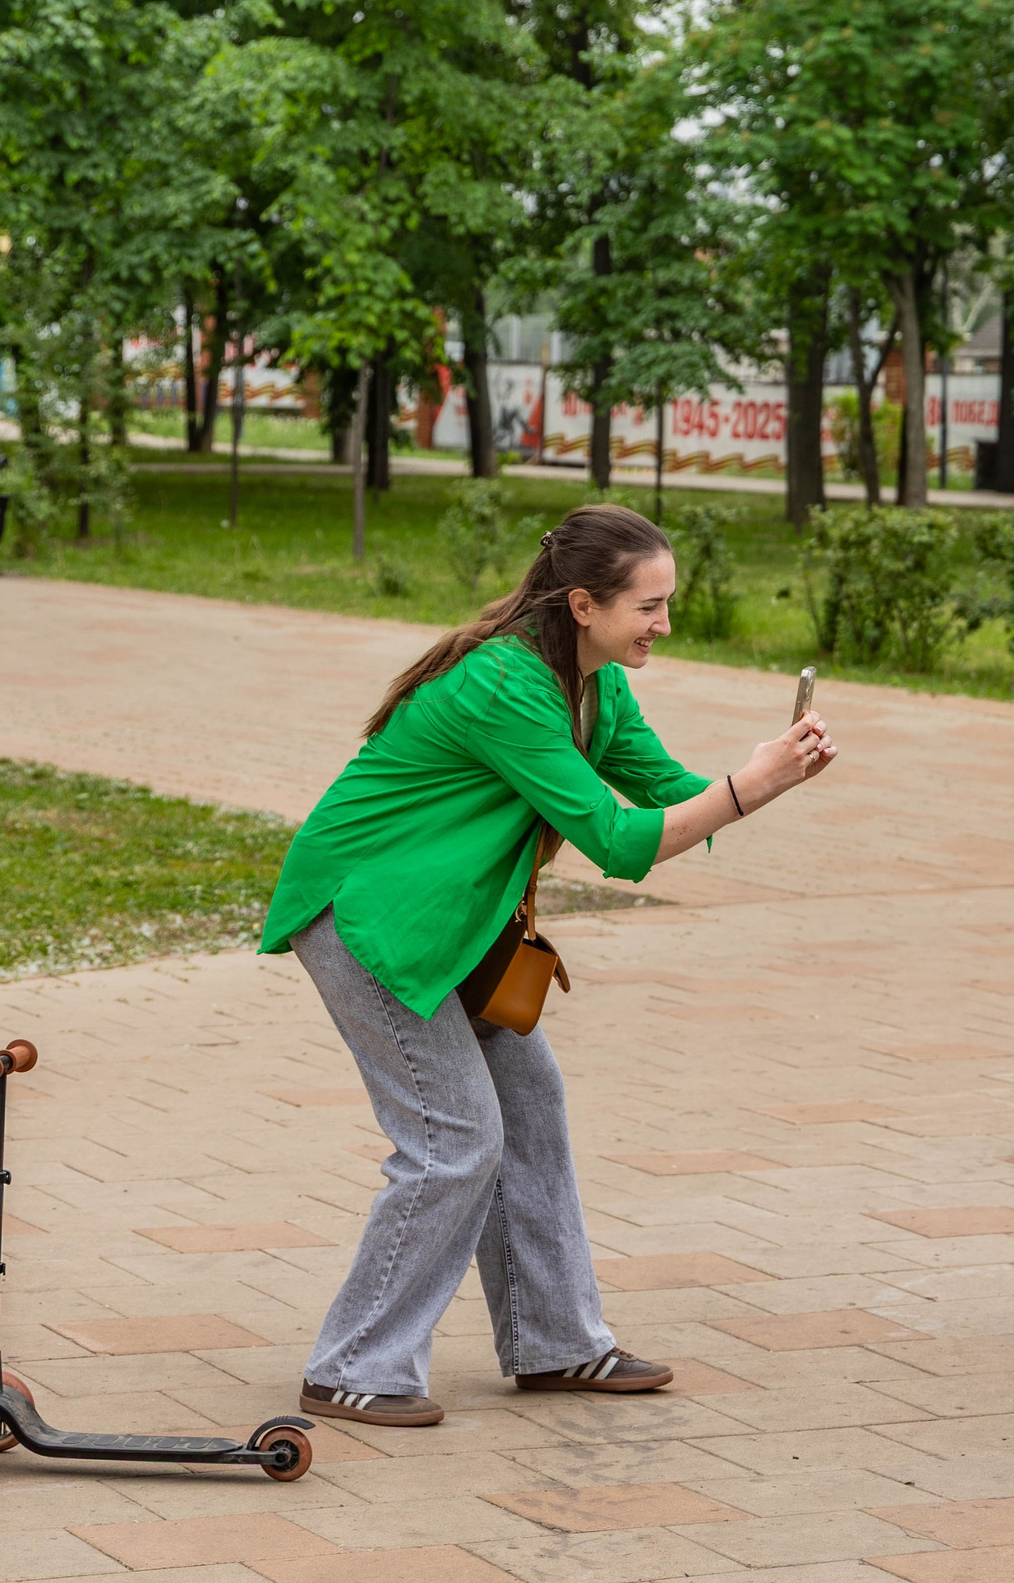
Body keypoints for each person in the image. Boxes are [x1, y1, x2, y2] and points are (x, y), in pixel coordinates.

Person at [257, 505, 838, 1427]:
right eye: (649, 606)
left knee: (529, 1108)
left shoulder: (594, 684)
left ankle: (555, 1345)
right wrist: (747, 790)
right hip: (367, 920)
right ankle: (353, 1364)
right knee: (454, 1142)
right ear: (582, 603)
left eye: (667, 603)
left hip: (454, 928)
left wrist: (771, 773)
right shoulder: (506, 685)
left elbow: (672, 797)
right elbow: (615, 840)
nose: (664, 623)